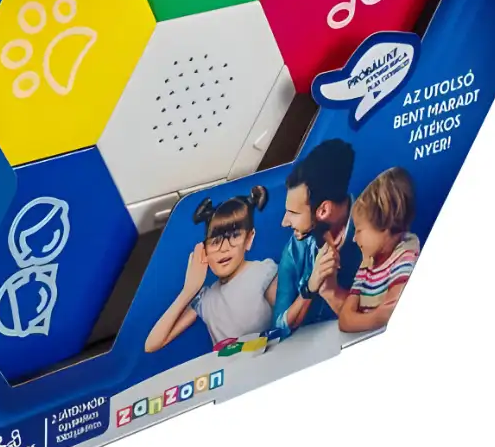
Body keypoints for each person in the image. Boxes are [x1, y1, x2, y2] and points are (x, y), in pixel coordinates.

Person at [145, 186, 277, 351]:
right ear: (204, 251)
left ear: (249, 239)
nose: (224, 248)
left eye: (234, 236)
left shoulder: (263, 273)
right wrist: (188, 290)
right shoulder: (205, 299)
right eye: (215, 241)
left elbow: (287, 325)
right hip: (229, 367)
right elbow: (152, 344)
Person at [274, 138, 357, 338]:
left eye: (293, 213)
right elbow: (278, 327)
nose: (284, 222)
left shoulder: (377, 228)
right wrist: (309, 288)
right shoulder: (294, 249)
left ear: (323, 210)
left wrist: (331, 291)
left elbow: (381, 316)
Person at [339, 167, 420, 333]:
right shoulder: (367, 263)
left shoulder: (405, 259)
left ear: (384, 224)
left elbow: (392, 315)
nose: (354, 238)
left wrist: (361, 320)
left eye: (359, 230)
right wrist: (375, 318)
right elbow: (344, 320)